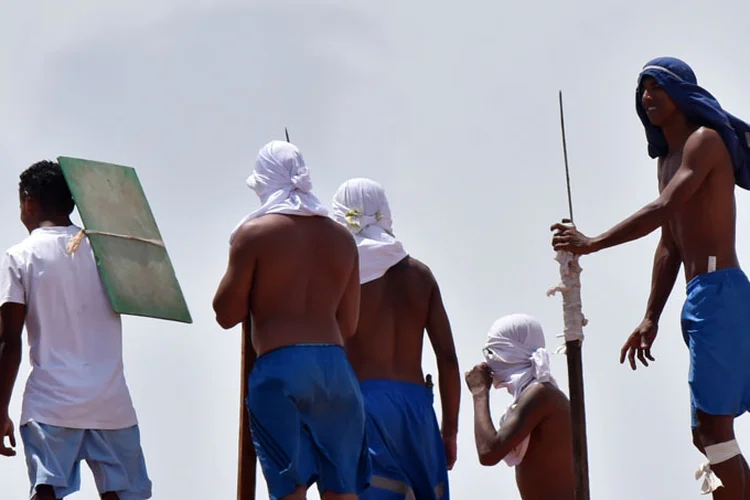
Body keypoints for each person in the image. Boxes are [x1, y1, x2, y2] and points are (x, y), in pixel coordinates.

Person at [551, 56, 750, 498]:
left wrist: (593, 242)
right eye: (642, 90)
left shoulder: (705, 142)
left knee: (713, 429)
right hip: (699, 299)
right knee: (706, 433)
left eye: (657, 87)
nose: (647, 96)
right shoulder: (666, 162)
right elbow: (670, 243)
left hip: (721, 294)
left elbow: (664, 207)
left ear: (682, 93)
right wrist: (650, 317)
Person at [212, 141, 370, 500]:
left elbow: (225, 314)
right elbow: (348, 326)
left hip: (280, 368)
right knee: (343, 492)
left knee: (290, 491)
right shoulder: (343, 238)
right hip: (335, 370)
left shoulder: (254, 235)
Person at [0, 160, 152, 500]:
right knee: (122, 495)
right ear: (73, 202)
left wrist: (0, 410)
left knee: (46, 491)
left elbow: (9, 342)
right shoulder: (108, 252)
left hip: (50, 404)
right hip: (111, 403)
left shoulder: (20, 256)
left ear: (28, 201)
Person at [331, 178, 460, 500]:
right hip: (417, 407)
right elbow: (448, 358)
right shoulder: (420, 274)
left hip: (364, 404)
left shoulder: (340, 274)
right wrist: (450, 431)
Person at [465, 313, 574, 499]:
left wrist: (479, 392)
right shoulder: (535, 394)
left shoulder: (541, 395)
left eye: (491, 352)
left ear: (510, 352)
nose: (488, 362)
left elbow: (488, 453)